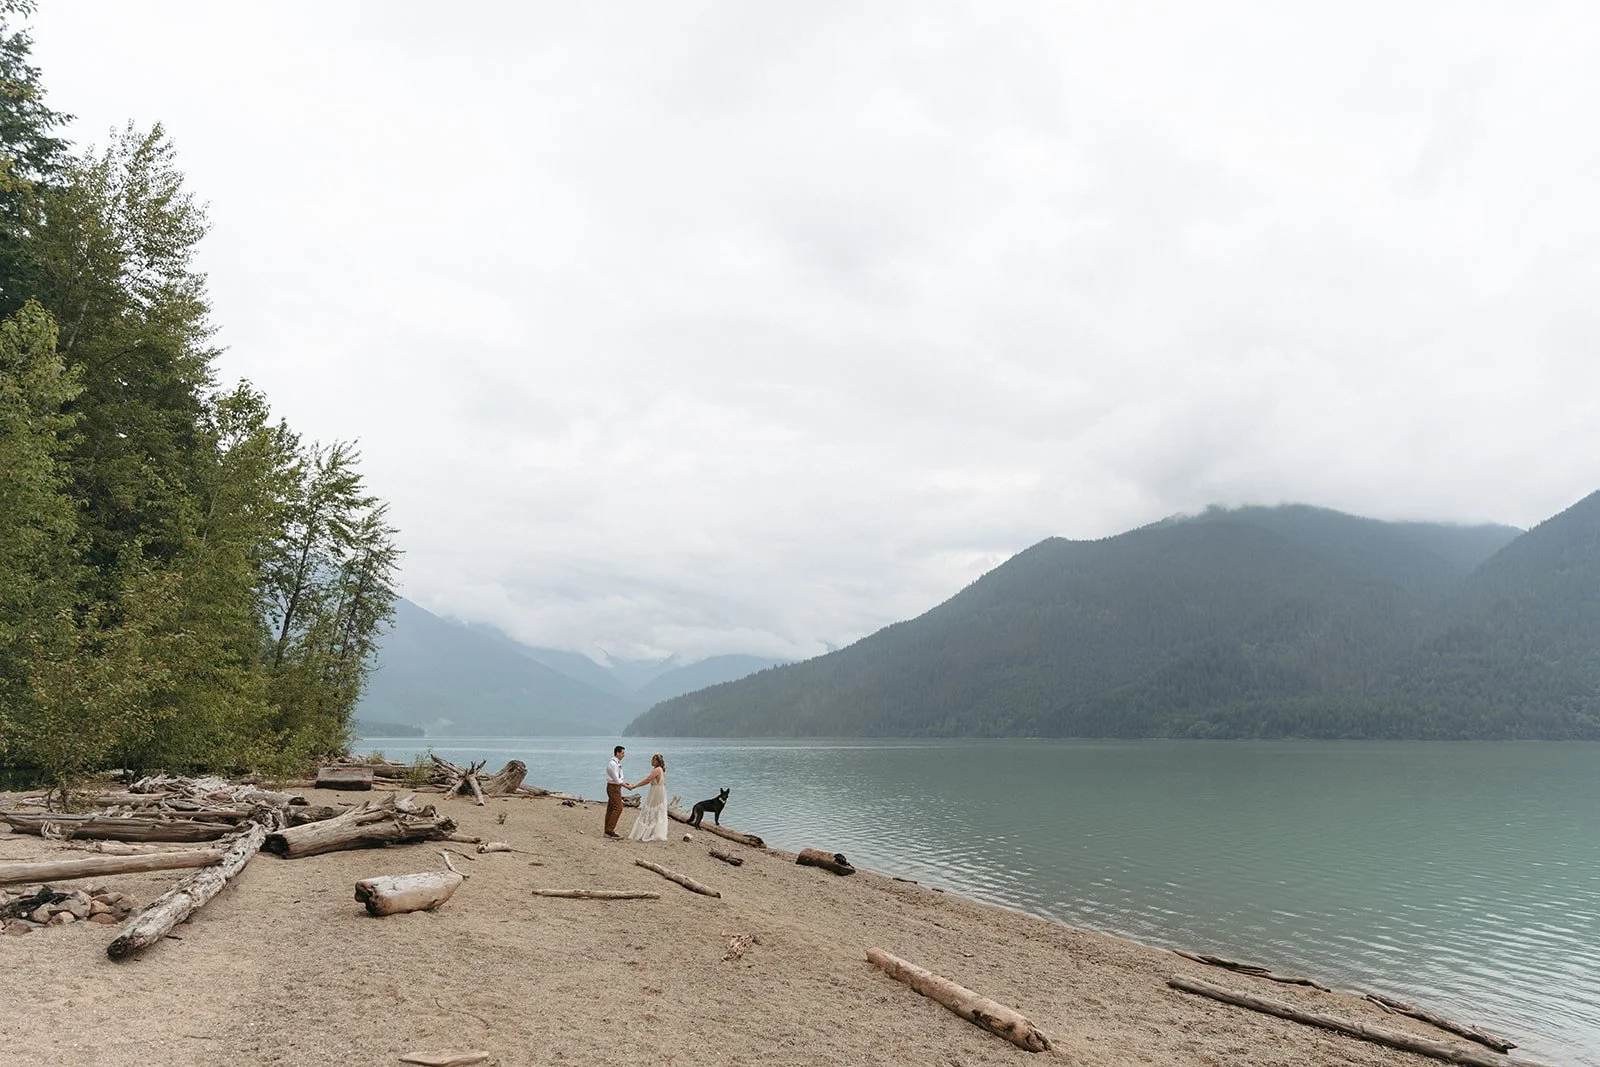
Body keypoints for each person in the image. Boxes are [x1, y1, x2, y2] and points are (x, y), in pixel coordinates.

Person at [625, 753, 669, 842]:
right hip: (659, 791)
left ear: (657, 761)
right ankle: (654, 831)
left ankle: (647, 832)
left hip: (655, 792)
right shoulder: (661, 770)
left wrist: (635, 786)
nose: (651, 761)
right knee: (657, 810)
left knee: (650, 809)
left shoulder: (657, 770)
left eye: (653, 760)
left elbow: (647, 780)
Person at [603, 745, 628, 838]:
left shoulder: (617, 763)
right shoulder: (612, 764)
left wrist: (624, 783)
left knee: (611, 808)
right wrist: (626, 786)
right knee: (618, 808)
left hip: (616, 787)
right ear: (617, 753)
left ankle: (607, 830)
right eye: (622, 753)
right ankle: (610, 830)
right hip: (613, 787)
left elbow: (619, 777)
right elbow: (616, 780)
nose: (624, 755)